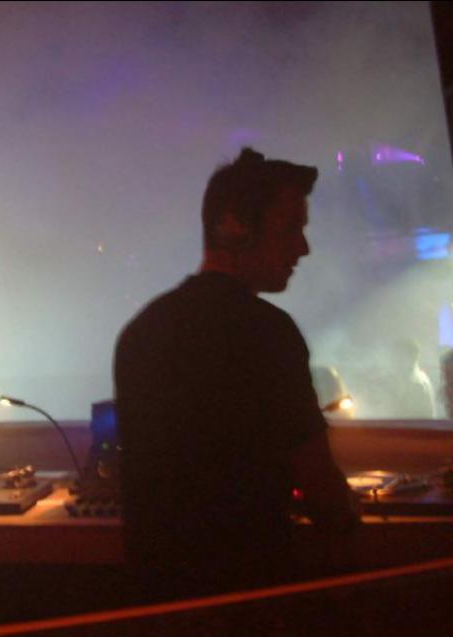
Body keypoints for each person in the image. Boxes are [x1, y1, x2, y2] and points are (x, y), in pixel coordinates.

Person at [114, 148, 360, 598]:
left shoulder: (140, 333)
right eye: (291, 228)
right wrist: (350, 510)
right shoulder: (270, 333)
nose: (303, 247)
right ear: (235, 228)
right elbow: (324, 497)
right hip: (250, 601)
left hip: (158, 606)